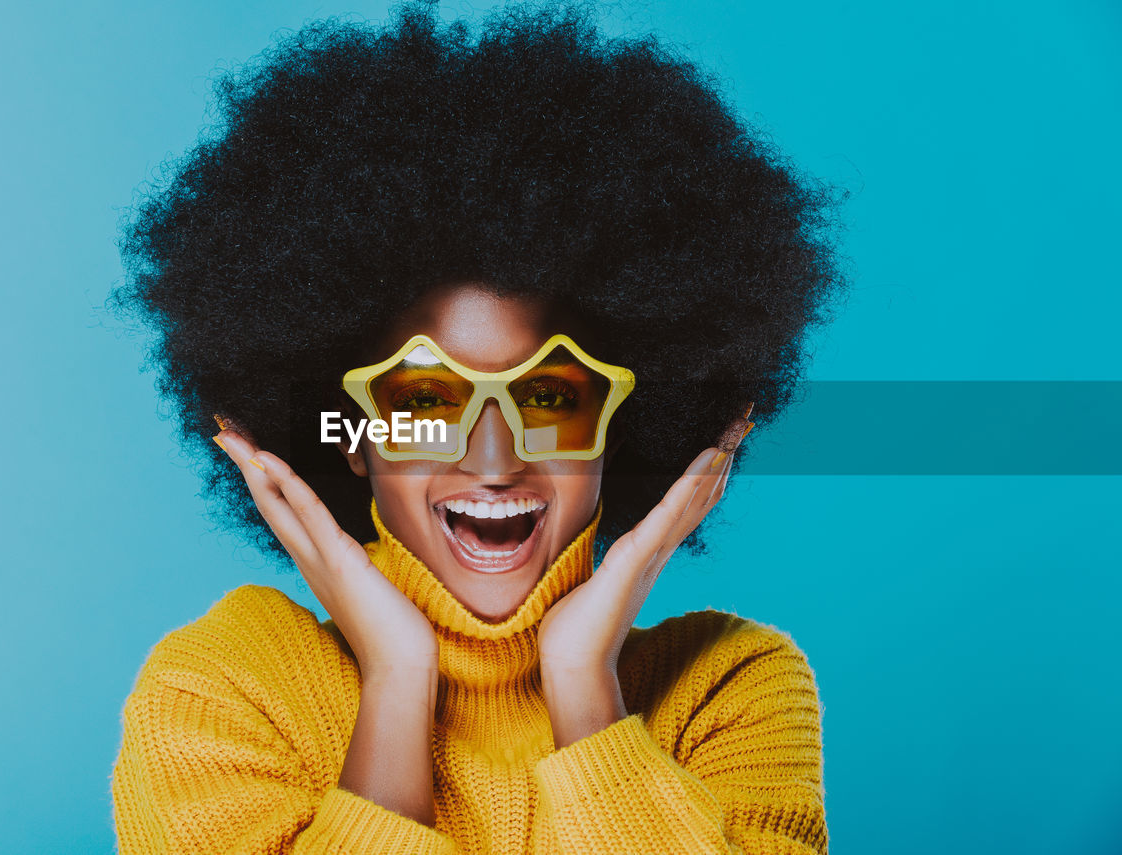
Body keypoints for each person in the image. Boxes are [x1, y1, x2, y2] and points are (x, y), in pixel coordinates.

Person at [107, 2, 846, 852]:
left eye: (550, 398)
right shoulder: (227, 685)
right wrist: (394, 677)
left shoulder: (730, 688)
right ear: (352, 436)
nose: (494, 461)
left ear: (616, 426)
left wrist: (583, 687)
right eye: (426, 402)